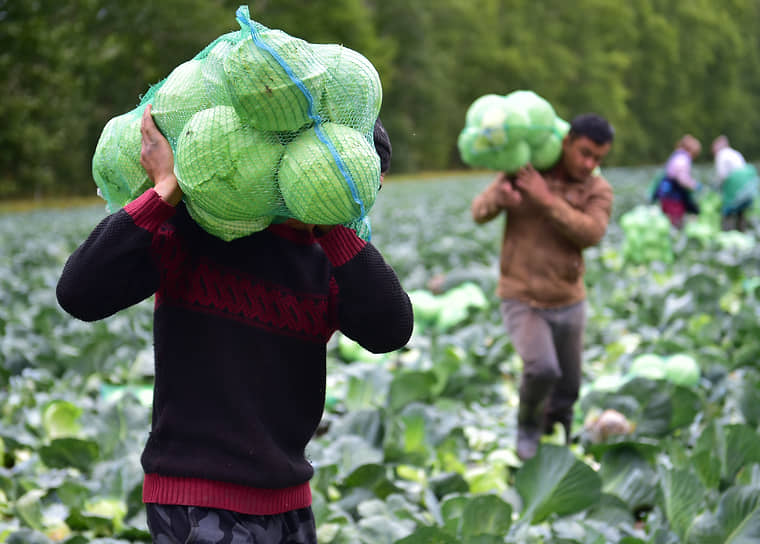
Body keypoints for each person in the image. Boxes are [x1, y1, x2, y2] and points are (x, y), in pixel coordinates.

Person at [56, 106, 413, 543]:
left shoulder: (328, 263)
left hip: (288, 501)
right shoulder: (195, 233)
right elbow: (79, 293)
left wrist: (332, 223)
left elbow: (391, 329)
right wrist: (165, 190)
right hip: (195, 498)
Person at [470, 113, 615, 461]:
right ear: (565, 141)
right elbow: (479, 211)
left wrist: (546, 200)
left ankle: (557, 436)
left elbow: (591, 233)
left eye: (598, 158)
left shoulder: (597, 189)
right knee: (541, 368)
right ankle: (528, 427)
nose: (589, 163)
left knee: (569, 385)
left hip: (568, 299)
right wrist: (500, 199)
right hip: (521, 296)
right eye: (584, 153)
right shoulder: (524, 170)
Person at [651, 134, 702, 228]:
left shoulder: (677, 155)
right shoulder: (682, 159)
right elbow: (682, 178)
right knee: (675, 223)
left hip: (666, 195)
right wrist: (694, 185)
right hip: (673, 197)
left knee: (668, 222)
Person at [711, 134, 759, 232]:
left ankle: (728, 232)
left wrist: (716, 187)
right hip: (749, 186)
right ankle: (743, 233)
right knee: (741, 212)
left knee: (728, 211)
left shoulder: (721, 154)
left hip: (735, 186)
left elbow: (722, 175)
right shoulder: (735, 153)